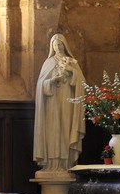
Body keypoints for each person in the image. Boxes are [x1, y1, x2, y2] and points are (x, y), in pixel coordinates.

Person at [33, 32, 86, 170]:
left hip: (67, 99)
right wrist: (52, 81)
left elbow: (82, 83)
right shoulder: (49, 62)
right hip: (52, 102)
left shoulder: (72, 62)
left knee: (65, 128)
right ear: (52, 47)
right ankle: (51, 164)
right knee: (53, 130)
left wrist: (72, 72)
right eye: (55, 44)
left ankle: (65, 163)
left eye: (60, 43)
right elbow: (40, 85)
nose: (58, 46)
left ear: (64, 45)